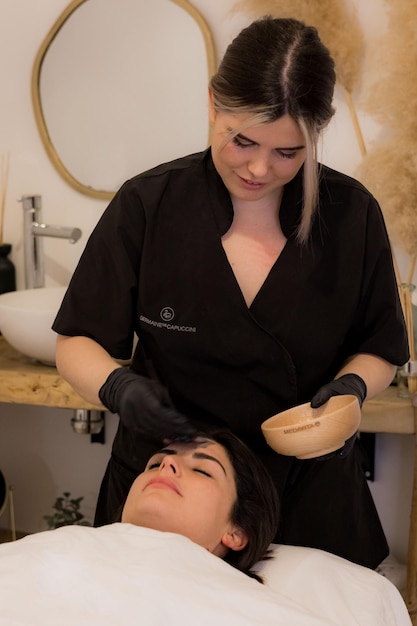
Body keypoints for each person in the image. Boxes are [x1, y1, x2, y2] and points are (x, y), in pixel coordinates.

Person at [53, 17, 409, 569]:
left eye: (288, 152)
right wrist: (120, 389)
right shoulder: (149, 205)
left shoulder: (351, 215)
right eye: (242, 140)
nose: (260, 168)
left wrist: (352, 387)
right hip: (172, 489)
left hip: (304, 493)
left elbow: (381, 344)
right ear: (214, 102)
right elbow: (77, 339)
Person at [120, 429, 279, 582]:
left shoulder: (239, 607)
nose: (167, 462)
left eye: (201, 471)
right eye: (155, 465)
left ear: (236, 533)